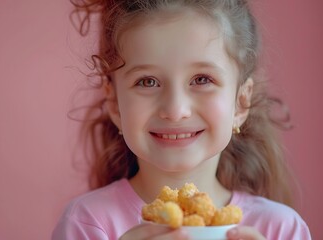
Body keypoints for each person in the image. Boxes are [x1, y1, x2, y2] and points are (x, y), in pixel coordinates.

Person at [52, 0, 311, 239]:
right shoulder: (86, 223)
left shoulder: (282, 229)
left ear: (241, 102)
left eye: (202, 80)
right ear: (115, 105)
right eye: (148, 82)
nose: (175, 110)